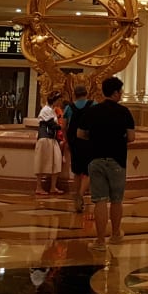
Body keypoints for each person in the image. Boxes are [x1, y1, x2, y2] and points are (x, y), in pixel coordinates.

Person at [76, 76, 135, 252]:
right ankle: (115, 235)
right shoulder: (124, 112)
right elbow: (131, 137)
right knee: (116, 200)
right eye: (120, 91)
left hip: (95, 159)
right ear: (115, 93)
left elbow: (80, 134)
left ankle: (100, 241)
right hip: (117, 160)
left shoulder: (92, 111)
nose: (121, 94)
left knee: (99, 201)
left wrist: (95, 138)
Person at [64, 85, 94, 213]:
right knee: (87, 172)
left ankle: (76, 194)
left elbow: (64, 126)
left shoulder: (69, 107)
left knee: (76, 171)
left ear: (74, 95)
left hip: (74, 142)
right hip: (88, 142)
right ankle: (81, 194)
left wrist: (66, 140)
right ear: (86, 94)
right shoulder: (93, 105)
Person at [34, 91, 65, 195]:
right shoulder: (46, 110)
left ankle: (53, 187)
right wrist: (63, 127)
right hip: (45, 138)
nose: (60, 102)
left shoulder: (52, 110)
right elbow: (52, 124)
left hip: (52, 139)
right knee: (41, 161)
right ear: (55, 100)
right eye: (59, 100)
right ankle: (39, 187)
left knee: (56, 161)